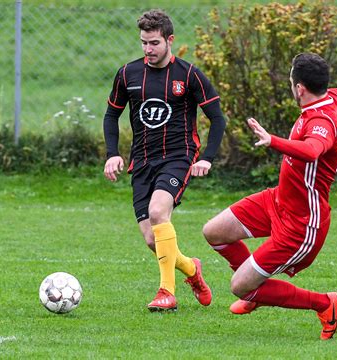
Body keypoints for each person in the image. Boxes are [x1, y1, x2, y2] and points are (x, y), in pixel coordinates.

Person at [202, 52, 337, 339]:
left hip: (302, 220)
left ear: (299, 87)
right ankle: (258, 291)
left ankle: (325, 303)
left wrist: (272, 140)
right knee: (214, 232)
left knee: (239, 286)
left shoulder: (321, 121)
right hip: (278, 199)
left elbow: (314, 149)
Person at [103, 10, 226, 312]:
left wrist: (206, 158)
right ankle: (192, 270)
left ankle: (166, 292)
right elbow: (111, 115)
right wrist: (112, 154)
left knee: (159, 212)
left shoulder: (189, 75)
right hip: (142, 162)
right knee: (151, 239)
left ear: (170, 40)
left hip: (178, 157)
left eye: (154, 43)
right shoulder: (128, 74)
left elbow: (217, 118)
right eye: (144, 43)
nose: (148, 49)